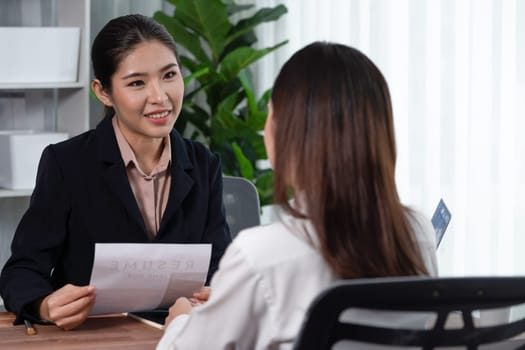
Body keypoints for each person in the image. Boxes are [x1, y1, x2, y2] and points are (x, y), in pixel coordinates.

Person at [156, 41, 439, 349]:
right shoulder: (417, 233)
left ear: (286, 131)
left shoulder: (262, 254)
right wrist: (234, 295)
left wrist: (182, 320)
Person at [0, 14, 231, 330]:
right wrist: (45, 304)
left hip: (181, 334)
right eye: (137, 82)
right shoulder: (66, 163)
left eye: (169, 75)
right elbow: (22, 270)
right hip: (92, 337)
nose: (159, 96)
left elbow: (220, 268)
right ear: (103, 92)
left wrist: (215, 294)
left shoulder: (204, 164)